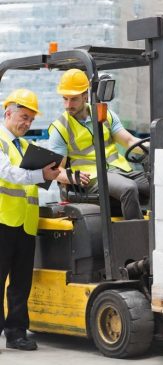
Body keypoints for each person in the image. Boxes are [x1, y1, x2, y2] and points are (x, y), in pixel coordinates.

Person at [0, 89, 60, 351]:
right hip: (2, 221)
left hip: (25, 223)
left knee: (21, 282)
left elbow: (43, 174)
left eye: (31, 120)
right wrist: (40, 175)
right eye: (24, 117)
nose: (27, 123)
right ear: (8, 112)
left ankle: (16, 333)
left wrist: (63, 174)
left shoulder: (26, 147)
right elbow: (9, 173)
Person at [48, 69, 149, 220]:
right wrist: (72, 178)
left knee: (156, 184)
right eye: (65, 99)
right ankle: (136, 241)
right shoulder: (60, 127)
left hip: (120, 170)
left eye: (73, 99)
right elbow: (56, 169)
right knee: (128, 188)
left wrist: (156, 148)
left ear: (85, 95)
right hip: (92, 177)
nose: (68, 105)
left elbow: (129, 141)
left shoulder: (105, 114)